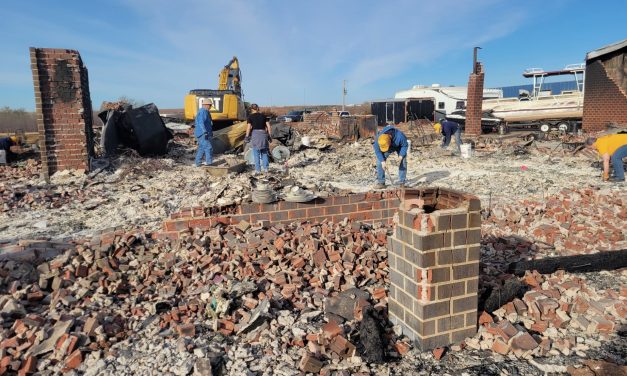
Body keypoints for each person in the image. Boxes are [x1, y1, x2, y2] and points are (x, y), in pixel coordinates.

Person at [373, 124, 409, 189]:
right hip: (388, 147)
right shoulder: (378, 140)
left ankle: (402, 183)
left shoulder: (400, 136)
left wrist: (400, 156)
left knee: (403, 162)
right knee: (379, 163)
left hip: (399, 146)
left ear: (389, 141)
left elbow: (405, 145)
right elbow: (378, 151)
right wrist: (382, 161)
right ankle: (381, 182)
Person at [245, 104, 272, 174]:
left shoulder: (250, 117)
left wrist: (247, 136)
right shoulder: (263, 116)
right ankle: (266, 169)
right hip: (263, 134)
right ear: (257, 108)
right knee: (264, 152)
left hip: (255, 135)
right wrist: (269, 135)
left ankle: (258, 170)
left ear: (251, 109)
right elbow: (268, 126)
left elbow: (248, 127)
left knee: (256, 153)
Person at [194, 99, 214, 167]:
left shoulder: (205, 112)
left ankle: (198, 163)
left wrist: (210, 133)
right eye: (210, 105)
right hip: (202, 133)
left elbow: (208, 123)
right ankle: (209, 163)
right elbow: (200, 122)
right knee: (209, 147)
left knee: (202, 148)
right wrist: (204, 132)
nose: (210, 107)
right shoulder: (203, 111)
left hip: (203, 133)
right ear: (206, 105)